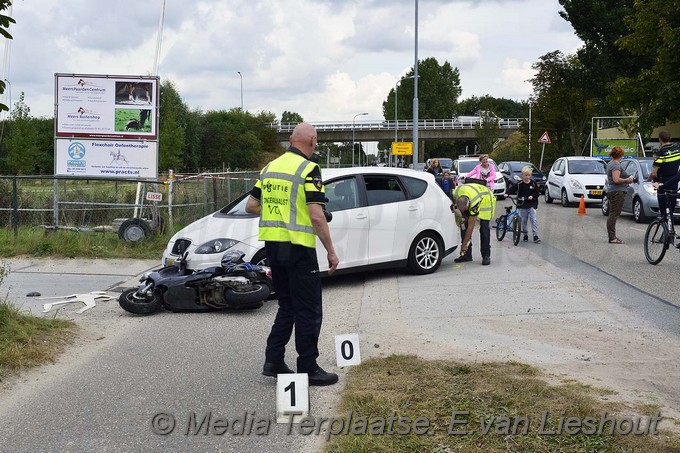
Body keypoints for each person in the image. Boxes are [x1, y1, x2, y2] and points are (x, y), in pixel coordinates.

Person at [245, 122, 340, 386]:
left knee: (287, 306)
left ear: (290, 139)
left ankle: (274, 360)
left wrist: (281, 214)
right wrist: (331, 251)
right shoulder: (310, 169)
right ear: (312, 140)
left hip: (274, 248)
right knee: (309, 310)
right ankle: (308, 368)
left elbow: (252, 205)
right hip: (299, 248)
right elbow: (316, 215)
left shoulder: (269, 168)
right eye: (317, 141)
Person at [451, 180, 497, 265]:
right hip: (471, 193)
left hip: (486, 200)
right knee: (464, 225)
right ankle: (467, 255)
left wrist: (464, 245)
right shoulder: (456, 193)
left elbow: (471, 227)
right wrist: (461, 216)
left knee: (484, 229)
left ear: (468, 205)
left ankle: (486, 255)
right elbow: (453, 206)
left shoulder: (474, 202)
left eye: (465, 210)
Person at [645, 130, 680, 218]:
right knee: (672, 206)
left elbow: (653, 173)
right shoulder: (677, 149)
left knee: (663, 206)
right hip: (674, 181)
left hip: (663, 181)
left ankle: (664, 221)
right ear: (670, 138)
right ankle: (671, 226)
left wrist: (648, 179)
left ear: (660, 140)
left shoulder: (660, 153)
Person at [605, 146, 634, 244]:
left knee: (613, 213)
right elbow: (616, 180)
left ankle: (612, 236)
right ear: (621, 154)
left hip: (613, 191)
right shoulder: (615, 165)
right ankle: (612, 237)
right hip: (617, 191)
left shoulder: (611, 163)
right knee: (614, 213)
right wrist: (627, 180)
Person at [516, 166, 541, 243]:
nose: (527, 177)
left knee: (533, 219)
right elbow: (512, 189)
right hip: (523, 205)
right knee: (524, 220)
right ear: (522, 175)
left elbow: (537, 193)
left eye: (528, 175)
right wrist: (507, 193)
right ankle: (525, 234)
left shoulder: (533, 183)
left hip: (531, 204)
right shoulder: (519, 184)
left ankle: (535, 235)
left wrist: (532, 196)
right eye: (525, 175)